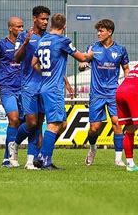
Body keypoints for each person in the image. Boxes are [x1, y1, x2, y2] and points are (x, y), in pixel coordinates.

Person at [31, 13, 92, 170]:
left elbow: (33, 63)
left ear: (51, 24)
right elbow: (82, 58)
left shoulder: (42, 40)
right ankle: (44, 159)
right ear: (64, 26)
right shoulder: (63, 40)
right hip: (53, 89)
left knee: (63, 124)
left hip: (45, 86)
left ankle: (42, 156)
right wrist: (90, 55)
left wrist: (46, 73)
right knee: (54, 124)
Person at [80, 19, 130, 167]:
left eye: (101, 31)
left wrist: (128, 82)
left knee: (117, 123)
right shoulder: (93, 48)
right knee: (94, 129)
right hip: (96, 93)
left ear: (110, 32)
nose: (98, 33)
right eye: (98, 31)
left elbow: (126, 68)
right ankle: (92, 148)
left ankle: (118, 159)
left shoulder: (120, 50)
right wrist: (83, 64)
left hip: (114, 92)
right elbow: (83, 62)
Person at [9, 6, 50, 170]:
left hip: (45, 86)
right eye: (42, 19)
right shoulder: (24, 35)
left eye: (47, 19)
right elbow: (16, 58)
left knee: (39, 124)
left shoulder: (49, 37)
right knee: (31, 123)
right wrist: (25, 43)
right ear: (34, 19)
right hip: (28, 85)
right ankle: (15, 143)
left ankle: (30, 161)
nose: (45, 22)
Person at [0, 16, 23, 167]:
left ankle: (11, 153)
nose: (21, 29)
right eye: (18, 27)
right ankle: (8, 157)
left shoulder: (25, 45)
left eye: (22, 27)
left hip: (24, 89)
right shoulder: (1, 45)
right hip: (7, 88)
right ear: (10, 28)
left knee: (24, 122)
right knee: (13, 119)